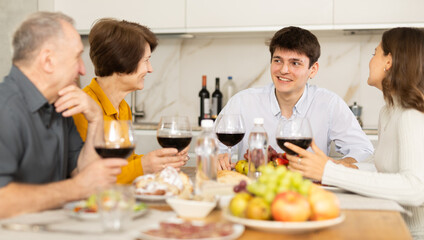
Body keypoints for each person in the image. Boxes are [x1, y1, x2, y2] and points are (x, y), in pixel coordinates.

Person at [285, 27, 424, 239]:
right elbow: (388, 169)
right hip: (393, 222)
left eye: (375, 53)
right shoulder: (388, 112)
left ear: (389, 62)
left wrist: (328, 172)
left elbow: (416, 188)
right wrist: (340, 165)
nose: (371, 61)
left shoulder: (411, 115)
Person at [0, 12, 128, 218]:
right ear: (48, 61)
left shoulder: (60, 105)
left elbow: (84, 174)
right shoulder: (4, 110)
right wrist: (75, 188)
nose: (83, 69)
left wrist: (95, 117)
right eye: (77, 57)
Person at [217, 26, 374, 170]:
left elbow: (364, 151)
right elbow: (213, 148)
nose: (284, 70)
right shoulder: (242, 102)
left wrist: (335, 166)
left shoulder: (329, 103)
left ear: (312, 70)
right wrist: (217, 158)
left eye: (295, 63)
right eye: (278, 60)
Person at [72, 18, 189, 184]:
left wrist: (162, 160)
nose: (150, 69)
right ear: (122, 63)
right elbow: (95, 176)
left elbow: (125, 163)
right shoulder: (84, 109)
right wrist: (144, 166)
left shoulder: (122, 107)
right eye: (145, 60)